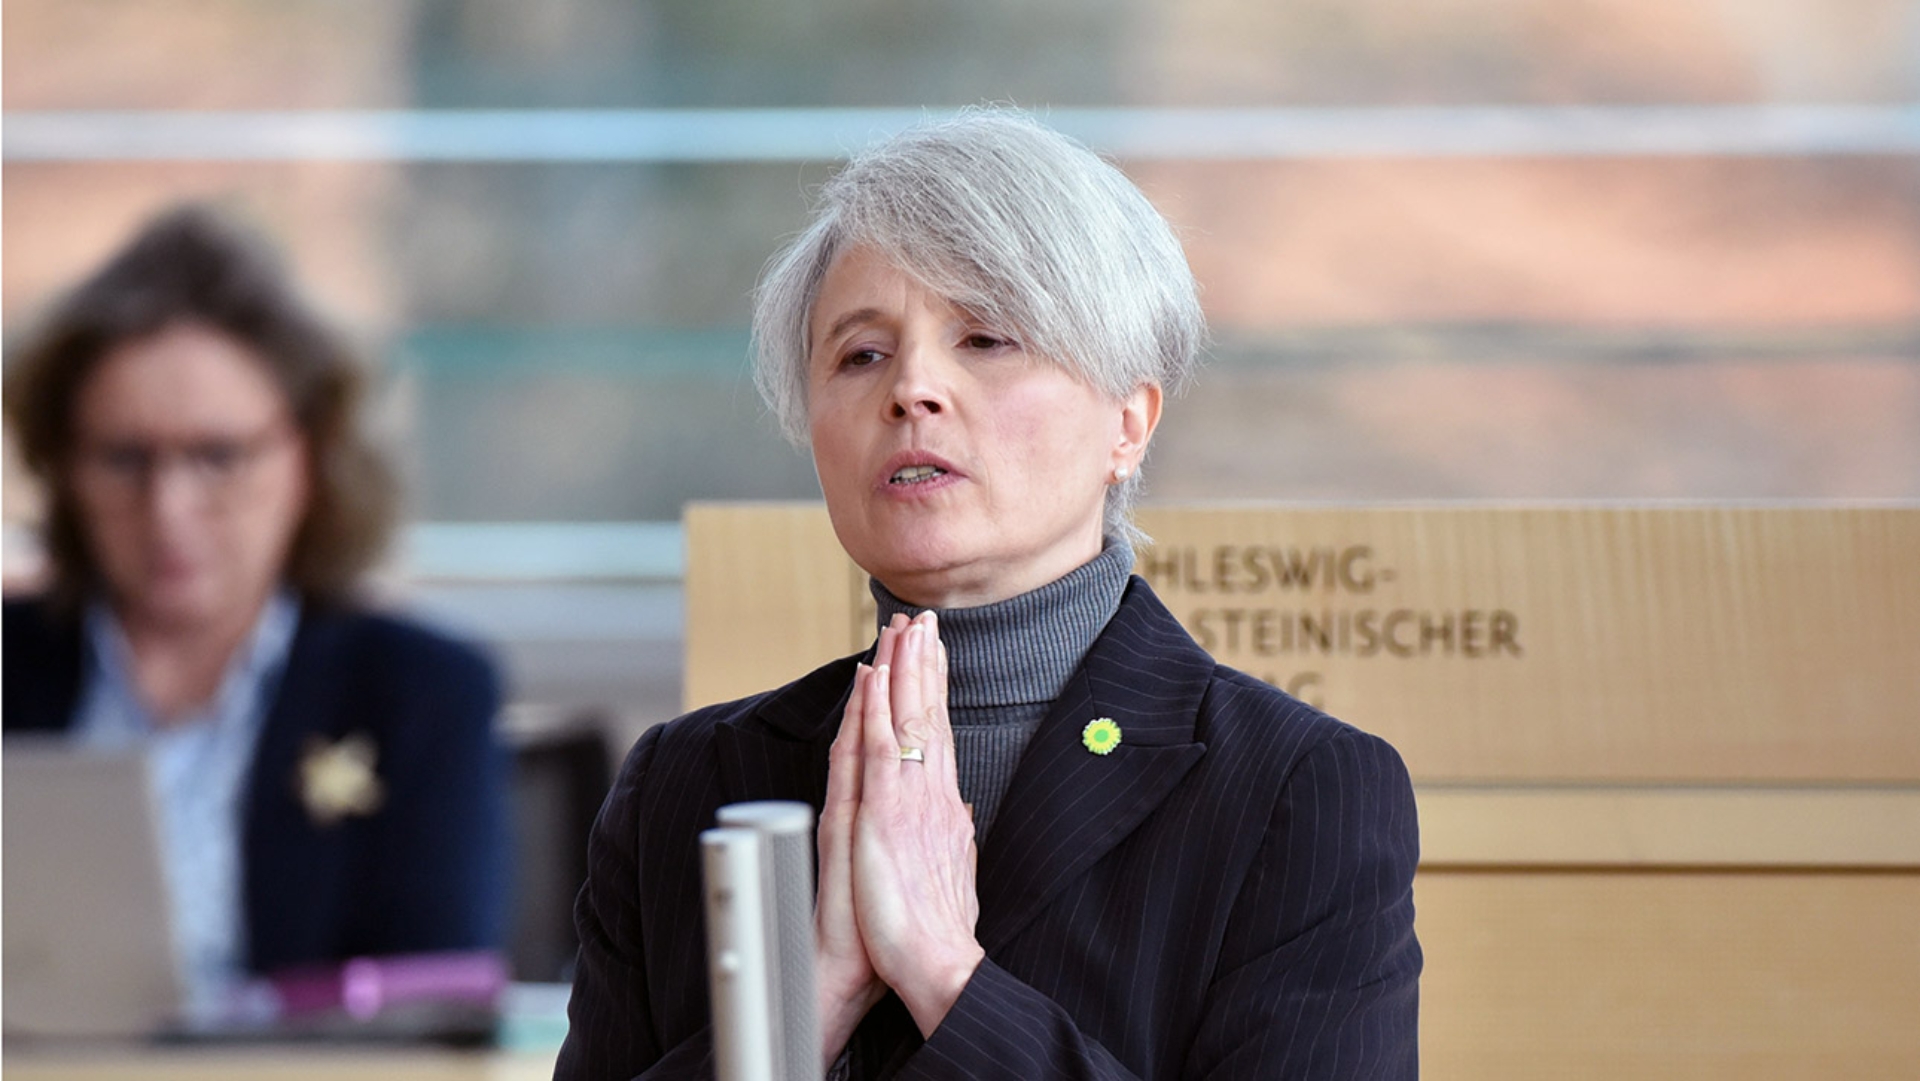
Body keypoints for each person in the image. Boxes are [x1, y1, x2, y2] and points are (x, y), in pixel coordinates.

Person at [556, 109, 1420, 1079]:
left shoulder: (1297, 792)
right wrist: (813, 997)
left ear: (1128, 424)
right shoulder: (684, 783)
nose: (913, 389)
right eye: (862, 354)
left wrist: (944, 973)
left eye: (986, 338)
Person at [2, 204, 512, 1012]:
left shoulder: (418, 690)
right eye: (124, 458)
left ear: (308, 457)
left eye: (218, 456)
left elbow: (433, 1005)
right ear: (63, 467)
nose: (169, 509)